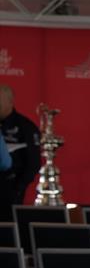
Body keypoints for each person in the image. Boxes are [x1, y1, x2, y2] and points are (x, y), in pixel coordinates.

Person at [0, 84, 41, 220]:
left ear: (10, 101)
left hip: (10, 187)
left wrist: (19, 188)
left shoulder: (25, 126)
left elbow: (33, 162)